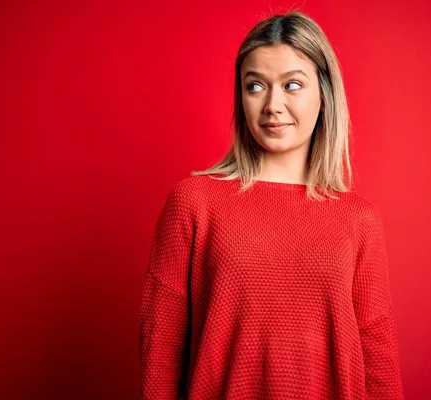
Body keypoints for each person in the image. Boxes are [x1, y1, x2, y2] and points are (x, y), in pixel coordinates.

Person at [138, 10, 404, 399]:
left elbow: (378, 356)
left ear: (324, 95)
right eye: (256, 86)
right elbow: (161, 347)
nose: (273, 105)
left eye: (292, 85)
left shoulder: (358, 219)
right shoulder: (194, 203)